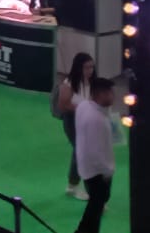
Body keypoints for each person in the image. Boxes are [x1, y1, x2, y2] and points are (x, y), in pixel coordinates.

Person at [74, 77, 117, 233]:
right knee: (95, 209)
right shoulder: (97, 120)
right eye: (110, 93)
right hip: (97, 173)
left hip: (86, 167)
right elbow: (96, 153)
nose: (113, 96)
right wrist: (108, 171)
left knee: (95, 208)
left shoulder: (84, 106)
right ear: (100, 94)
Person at [58, 53, 96, 199]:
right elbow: (63, 105)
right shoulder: (68, 83)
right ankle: (74, 186)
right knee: (80, 151)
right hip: (72, 120)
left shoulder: (92, 82)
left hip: (88, 120)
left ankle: (74, 185)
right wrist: (84, 108)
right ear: (78, 67)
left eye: (91, 67)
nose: (90, 70)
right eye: (86, 67)